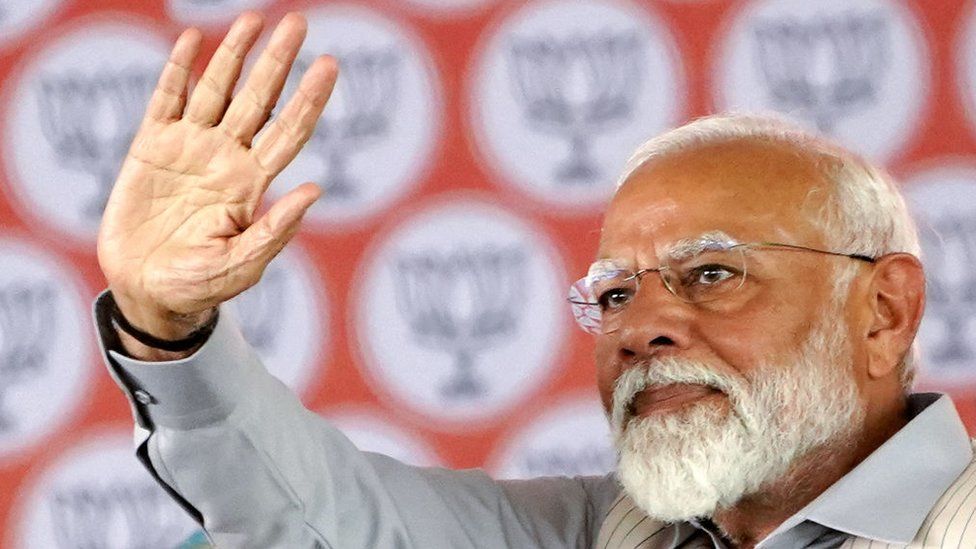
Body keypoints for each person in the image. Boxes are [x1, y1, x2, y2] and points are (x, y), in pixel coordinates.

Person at [92, 11, 976, 549]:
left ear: (884, 309)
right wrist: (165, 326)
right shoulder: (601, 532)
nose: (640, 328)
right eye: (618, 293)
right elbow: (318, 514)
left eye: (711, 273)